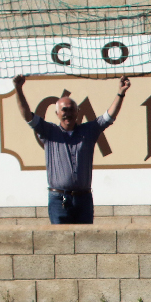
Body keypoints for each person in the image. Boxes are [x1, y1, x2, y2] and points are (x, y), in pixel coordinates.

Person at [13, 74, 131, 224]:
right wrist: (18, 89)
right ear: (57, 113)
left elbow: (109, 116)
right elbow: (27, 116)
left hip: (83, 199)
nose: (67, 114)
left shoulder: (89, 131)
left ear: (77, 112)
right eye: (64, 110)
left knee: (85, 237)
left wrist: (121, 93)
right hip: (58, 200)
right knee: (60, 238)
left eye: (71, 110)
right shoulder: (49, 132)